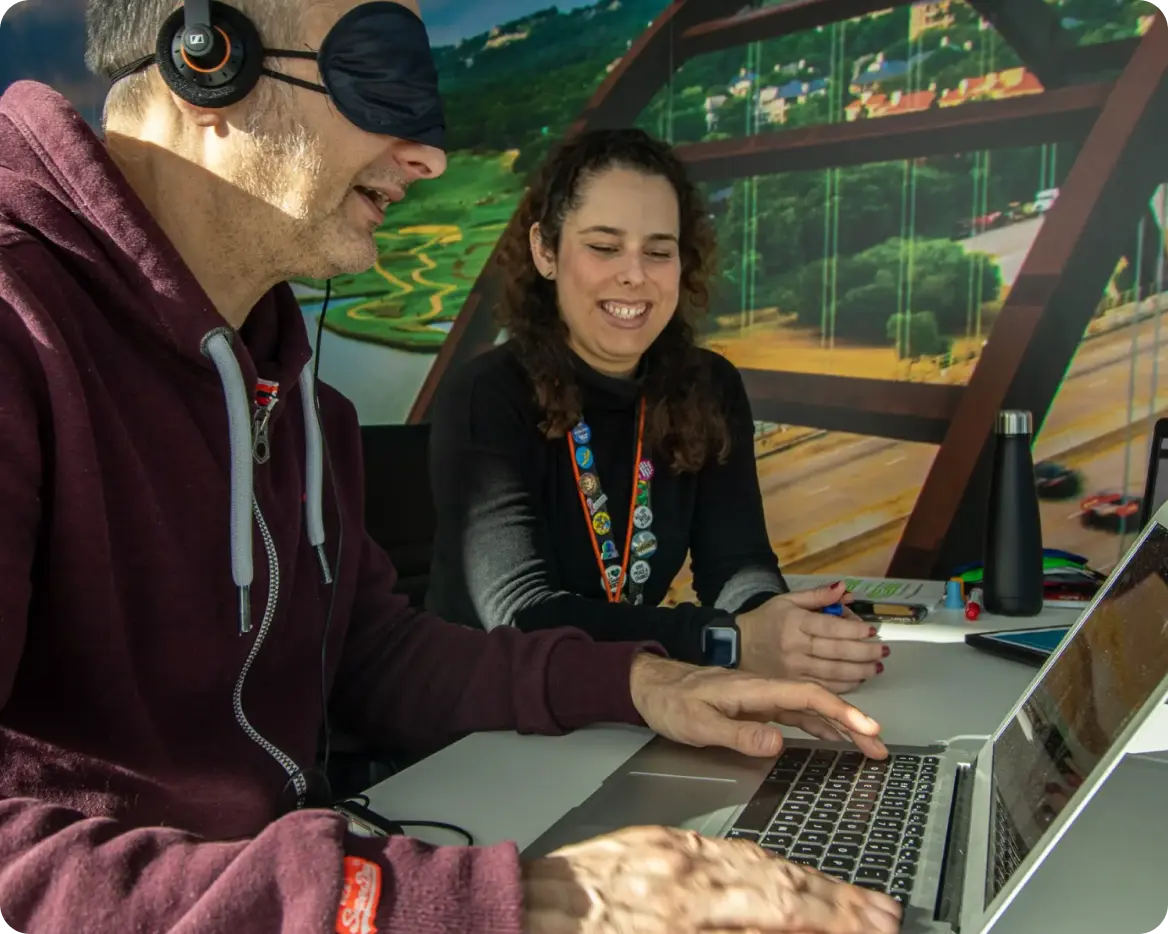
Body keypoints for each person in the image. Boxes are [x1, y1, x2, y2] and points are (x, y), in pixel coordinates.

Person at [0, 2, 900, 932]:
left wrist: (640, 681)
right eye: (380, 69)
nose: (427, 155)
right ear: (207, 60)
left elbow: (372, 657)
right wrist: (510, 902)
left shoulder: (299, 398)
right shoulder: (15, 324)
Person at [427, 128, 890, 694]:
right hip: (497, 718)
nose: (635, 274)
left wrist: (781, 626)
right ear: (545, 251)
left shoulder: (708, 385)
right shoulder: (488, 394)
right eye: (603, 246)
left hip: (640, 703)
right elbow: (524, 614)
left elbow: (737, 566)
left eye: (658, 250)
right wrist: (730, 641)